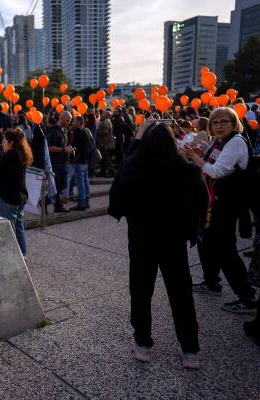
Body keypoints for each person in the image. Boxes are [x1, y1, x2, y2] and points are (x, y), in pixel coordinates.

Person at [109, 117, 208, 370]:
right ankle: (190, 350)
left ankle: (142, 344)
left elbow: (122, 175)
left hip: (142, 239)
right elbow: (200, 202)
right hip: (172, 240)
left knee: (141, 291)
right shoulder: (186, 170)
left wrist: (139, 133)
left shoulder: (134, 167)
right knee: (181, 294)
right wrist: (191, 231)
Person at [183, 107, 257, 314]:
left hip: (226, 204)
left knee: (225, 250)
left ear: (234, 124)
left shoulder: (235, 142)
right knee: (206, 242)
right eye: (215, 123)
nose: (218, 126)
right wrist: (202, 147)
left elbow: (217, 171)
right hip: (213, 202)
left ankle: (247, 297)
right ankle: (212, 281)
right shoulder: (221, 142)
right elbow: (215, 156)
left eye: (224, 122)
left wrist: (193, 156)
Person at [0, 128, 33, 257]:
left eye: (4, 140)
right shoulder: (22, 154)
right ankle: (23, 255)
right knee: (19, 227)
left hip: (8, 197)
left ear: (10, 142)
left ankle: (13, 258)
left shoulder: (8, 156)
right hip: (20, 196)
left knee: (9, 229)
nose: (2, 143)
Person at [64, 116, 92, 211]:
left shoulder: (77, 132)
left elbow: (75, 147)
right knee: (85, 181)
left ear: (79, 122)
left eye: (74, 121)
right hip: (85, 160)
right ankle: (86, 200)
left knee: (80, 183)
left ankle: (82, 202)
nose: (72, 122)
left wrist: (73, 157)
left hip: (79, 161)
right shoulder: (85, 131)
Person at [47, 111, 73, 212]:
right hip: (56, 163)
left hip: (63, 162)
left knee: (62, 184)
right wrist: (63, 149)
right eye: (68, 120)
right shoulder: (53, 131)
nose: (69, 123)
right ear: (62, 118)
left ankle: (46, 201)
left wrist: (68, 148)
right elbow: (49, 148)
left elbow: (63, 146)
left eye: (70, 121)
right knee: (59, 184)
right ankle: (57, 206)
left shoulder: (63, 130)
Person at [97, 110, 115, 177]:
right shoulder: (105, 121)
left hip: (105, 143)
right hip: (103, 143)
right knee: (103, 159)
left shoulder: (107, 121)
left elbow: (106, 131)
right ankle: (103, 172)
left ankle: (111, 171)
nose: (102, 115)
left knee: (106, 159)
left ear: (106, 115)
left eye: (103, 114)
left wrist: (98, 131)